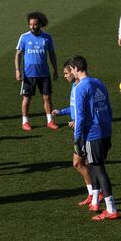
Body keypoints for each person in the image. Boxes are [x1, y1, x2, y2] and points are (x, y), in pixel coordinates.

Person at [70, 55, 118, 221]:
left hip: (93, 133)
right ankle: (96, 201)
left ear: (76, 69)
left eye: (71, 69)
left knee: (98, 169)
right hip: (106, 131)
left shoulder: (80, 88)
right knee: (94, 165)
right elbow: (109, 108)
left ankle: (111, 209)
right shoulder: (99, 82)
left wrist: (77, 138)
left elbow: (81, 117)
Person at [52, 60, 103, 206]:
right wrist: (62, 112)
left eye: (67, 73)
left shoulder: (81, 87)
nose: (65, 76)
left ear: (74, 72)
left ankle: (97, 193)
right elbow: (74, 107)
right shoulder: (75, 86)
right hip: (80, 130)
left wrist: (77, 123)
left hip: (85, 132)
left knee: (78, 163)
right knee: (86, 163)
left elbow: (88, 110)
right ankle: (93, 194)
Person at [15, 11, 58, 131]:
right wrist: (17, 70)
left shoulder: (47, 38)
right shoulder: (24, 37)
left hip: (44, 73)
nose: (32, 27)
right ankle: (25, 121)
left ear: (40, 24)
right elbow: (18, 54)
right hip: (29, 74)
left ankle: (50, 121)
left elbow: (52, 54)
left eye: (35, 24)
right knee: (27, 98)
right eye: (30, 24)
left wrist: (55, 70)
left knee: (47, 97)